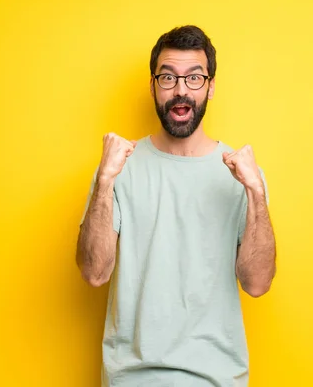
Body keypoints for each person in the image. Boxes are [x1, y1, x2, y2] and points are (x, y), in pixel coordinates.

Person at [76, 25, 277, 387]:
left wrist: (256, 192)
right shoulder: (120, 167)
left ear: (211, 86)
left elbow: (258, 283)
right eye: (168, 77)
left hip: (216, 379)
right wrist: (105, 181)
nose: (181, 89)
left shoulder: (242, 176)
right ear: (153, 86)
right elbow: (94, 273)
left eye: (194, 77)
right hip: (131, 379)